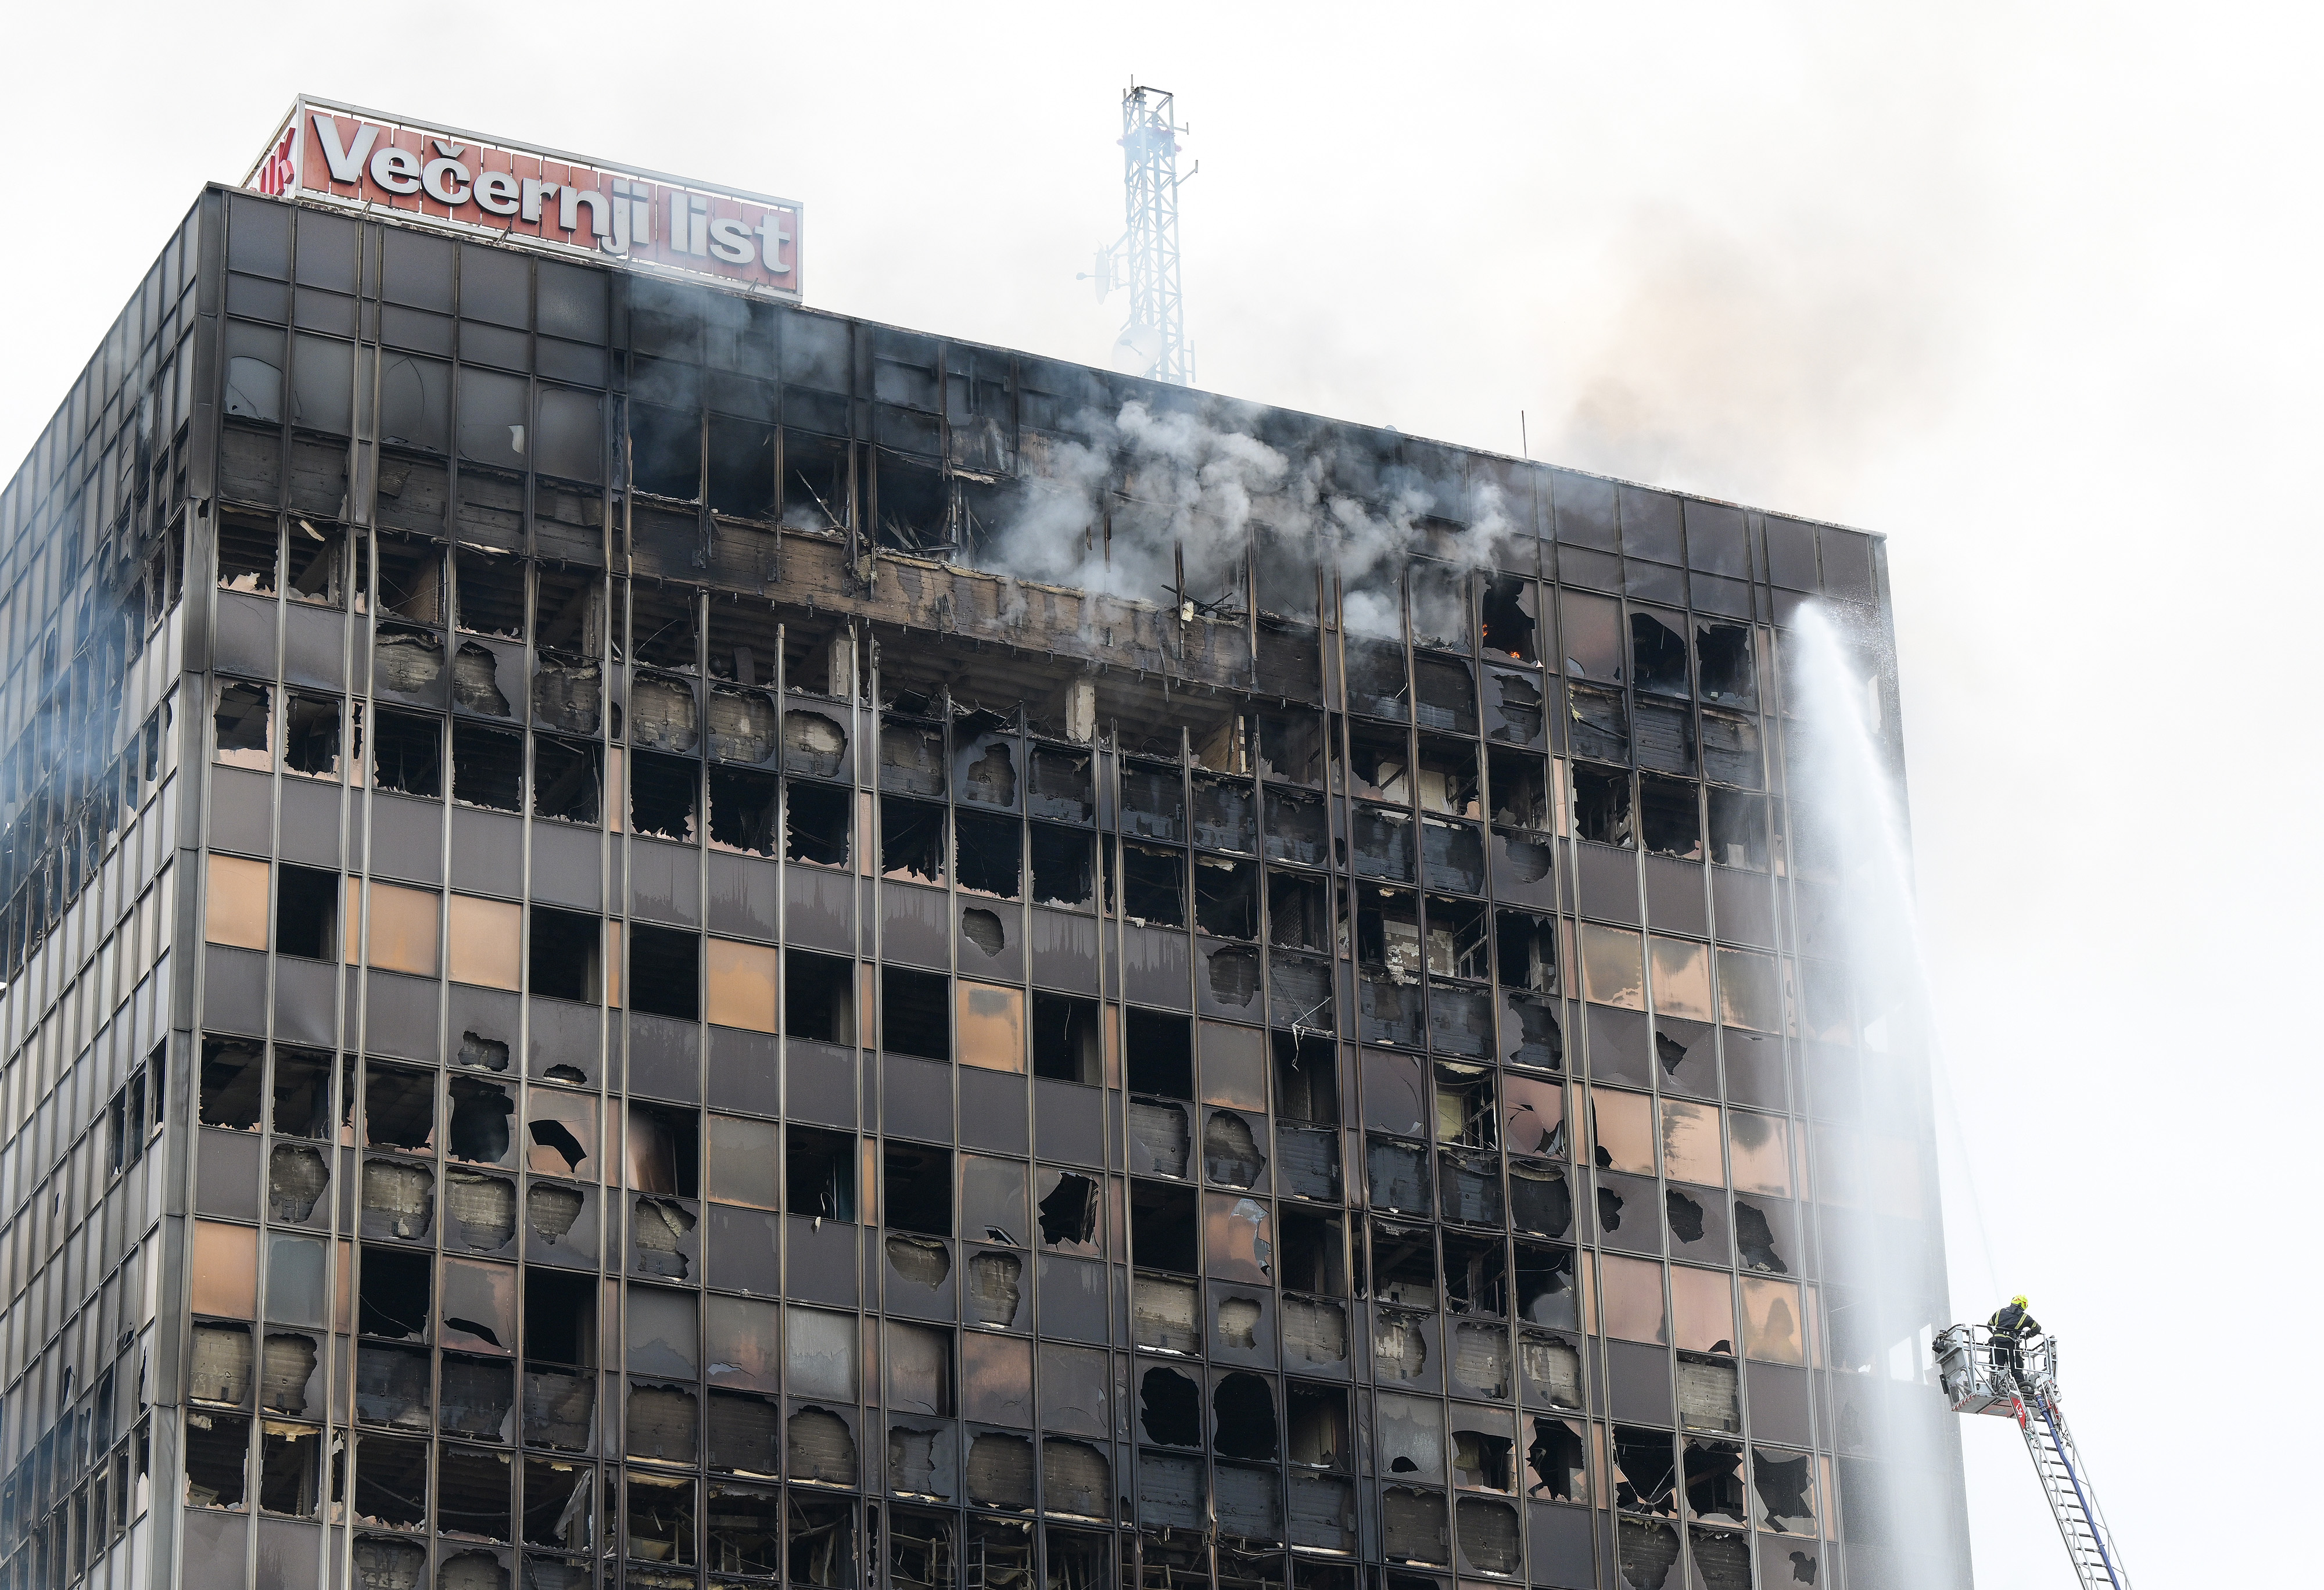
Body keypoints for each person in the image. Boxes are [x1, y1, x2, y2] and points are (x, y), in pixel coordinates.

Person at [1988, 1294, 2042, 1388]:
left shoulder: (1999, 1312)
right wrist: (2027, 1335)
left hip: (1996, 1343)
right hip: (2011, 1345)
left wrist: (1997, 1334)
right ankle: (2021, 1387)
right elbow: (2037, 1328)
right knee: (2016, 1367)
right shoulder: (2024, 1317)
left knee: (1997, 1367)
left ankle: (1997, 1386)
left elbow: (1990, 1325)